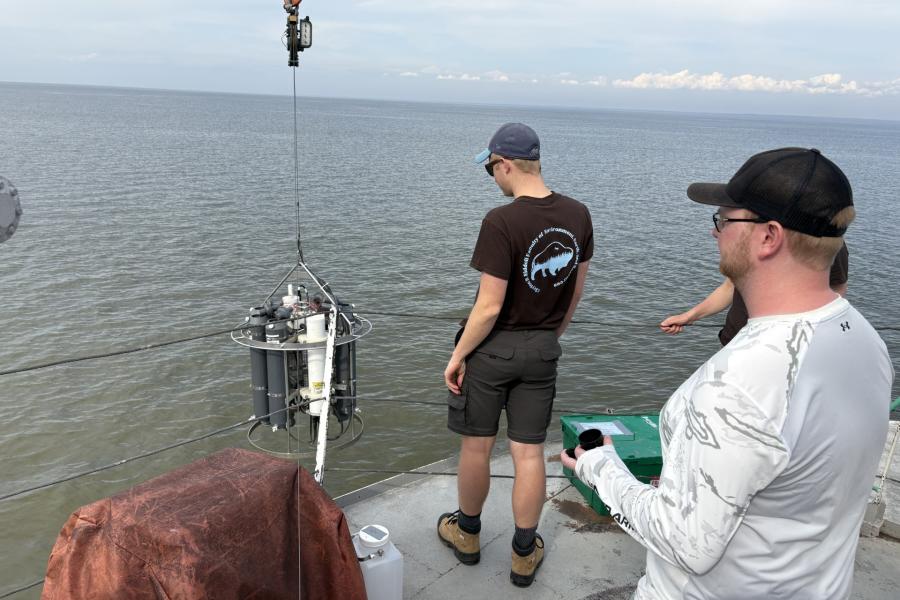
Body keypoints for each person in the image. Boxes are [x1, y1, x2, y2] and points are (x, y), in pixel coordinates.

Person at [561, 147, 893, 599]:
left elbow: (686, 543)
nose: (715, 234)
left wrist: (600, 467)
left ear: (768, 236)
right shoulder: (866, 341)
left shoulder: (738, 383)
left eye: (724, 220)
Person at [438, 123, 593, 587]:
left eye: (491, 170)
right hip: (543, 349)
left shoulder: (501, 221)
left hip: (493, 351)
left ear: (506, 164)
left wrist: (457, 356)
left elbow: (487, 307)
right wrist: (547, 336)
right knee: (528, 455)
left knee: (477, 446)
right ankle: (524, 553)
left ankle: (466, 535)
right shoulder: (579, 215)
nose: (493, 179)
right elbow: (575, 294)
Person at [659, 243, 849, 345]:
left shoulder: (828, 244)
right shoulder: (749, 238)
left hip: (785, 349)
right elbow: (730, 286)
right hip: (735, 341)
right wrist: (688, 317)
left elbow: (837, 289)